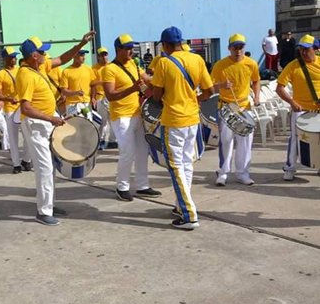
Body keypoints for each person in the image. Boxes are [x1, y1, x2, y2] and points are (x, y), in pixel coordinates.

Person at [16, 32, 94, 226]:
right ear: (34, 55)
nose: (46, 55)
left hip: (48, 120)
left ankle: (48, 204)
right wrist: (51, 118)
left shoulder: (41, 65)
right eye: (42, 52)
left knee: (51, 164)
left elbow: (63, 58)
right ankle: (43, 212)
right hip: (36, 125)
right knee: (44, 167)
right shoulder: (25, 75)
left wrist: (81, 42)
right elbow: (25, 107)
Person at [150, 27, 214, 230]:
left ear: (166, 44)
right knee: (187, 164)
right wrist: (193, 98)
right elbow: (209, 91)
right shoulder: (197, 59)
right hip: (192, 119)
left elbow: (156, 95)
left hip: (174, 120)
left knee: (176, 166)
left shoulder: (164, 63)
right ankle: (180, 206)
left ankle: (189, 214)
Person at [102, 34, 161, 201]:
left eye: (131, 47)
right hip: (121, 117)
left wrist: (159, 80)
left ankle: (142, 185)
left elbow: (146, 80)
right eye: (127, 48)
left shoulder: (134, 64)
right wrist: (133, 89)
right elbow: (110, 95)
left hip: (137, 114)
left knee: (143, 151)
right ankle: (122, 187)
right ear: (118, 50)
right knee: (127, 152)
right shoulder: (109, 69)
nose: (130, 51)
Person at [211, 34, 260, 186]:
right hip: (226, 106)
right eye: (235, 47)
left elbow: (256, 81)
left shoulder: (251, 64)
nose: (238, 50)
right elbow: (210, 87)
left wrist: (257, 97)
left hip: (244, 106)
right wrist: (221, 86)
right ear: (229, 48)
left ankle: (243, 173)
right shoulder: (220, 65)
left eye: (240, 47)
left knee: (245, 141)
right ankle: (223, 172)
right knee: (226, 140)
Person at [276, 34, 320, 181]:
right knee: (295, 139)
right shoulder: (293, 65)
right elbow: (280, 88)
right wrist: (291, 102)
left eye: (307, 49)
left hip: (318, 110)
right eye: (301, 49)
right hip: (300, 110)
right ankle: (290, 167)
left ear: (315, 49)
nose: (303, 52)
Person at [0, 46, 32, 173]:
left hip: (23, 108)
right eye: (11, 57)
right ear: (5, 58)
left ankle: (26, 160)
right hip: (10, 109)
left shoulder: (22, 70)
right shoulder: (0, 75)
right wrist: (8, 99)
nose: (14, 59)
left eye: (15, 56)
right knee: (13, 138)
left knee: (29, 136)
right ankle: (16, 164)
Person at [59, 50, 96, 121]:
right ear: (74, 56)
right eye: (81, 55)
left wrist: (93, 98)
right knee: (74, 129)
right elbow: (64, 91)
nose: (84, 57)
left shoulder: (88, 69)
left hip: (86, 104)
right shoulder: (66, 71)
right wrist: (75, 93)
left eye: (84, 55)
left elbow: (93, 85)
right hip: (72, 105)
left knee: (89, 128)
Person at [92, 47, 117, 150]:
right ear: (98, 56)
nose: (104, 57)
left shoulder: (112, 67)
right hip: (100, 96)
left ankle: (113, 141)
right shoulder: (94, 69)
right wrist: (93, 97)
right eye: (102, 55)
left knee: (114, 120)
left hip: (111, 97)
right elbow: (92, 84)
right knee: (102, 121)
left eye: (105, 54)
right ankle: (101, 140)